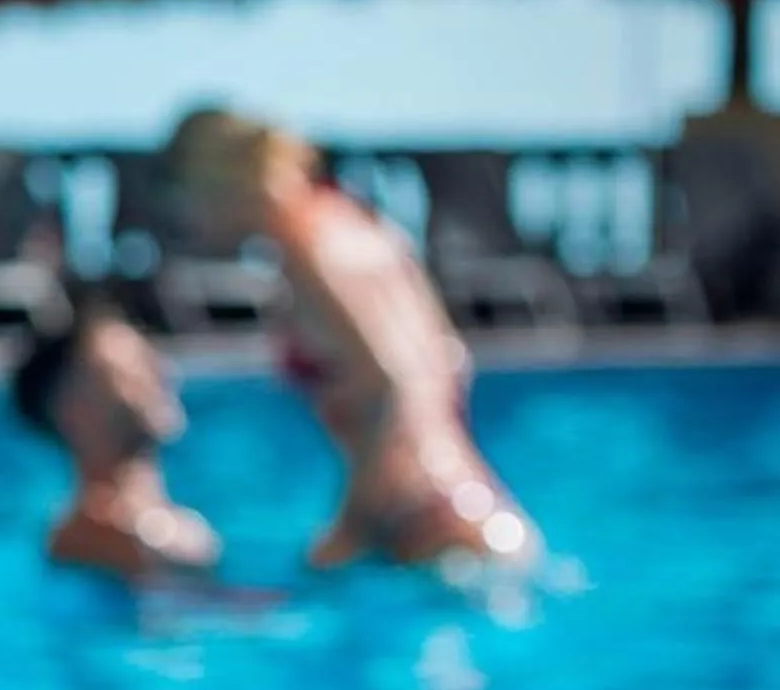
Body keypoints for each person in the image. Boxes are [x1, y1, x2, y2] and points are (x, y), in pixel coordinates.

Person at [165, 105, 538, 572]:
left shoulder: (306, 250)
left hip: (421, 518)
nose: (187, 220)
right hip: (473, 504)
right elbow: (449, 359)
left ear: (217, 182)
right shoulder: (355, 223)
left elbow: (391, 386)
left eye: (184, 199)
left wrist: (349, 530)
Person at [10, 306, 221, 585]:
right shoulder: (95, 534)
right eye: (129, 370)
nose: (160, 375)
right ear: (73, 411)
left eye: (151, 358)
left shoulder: (148, 527)